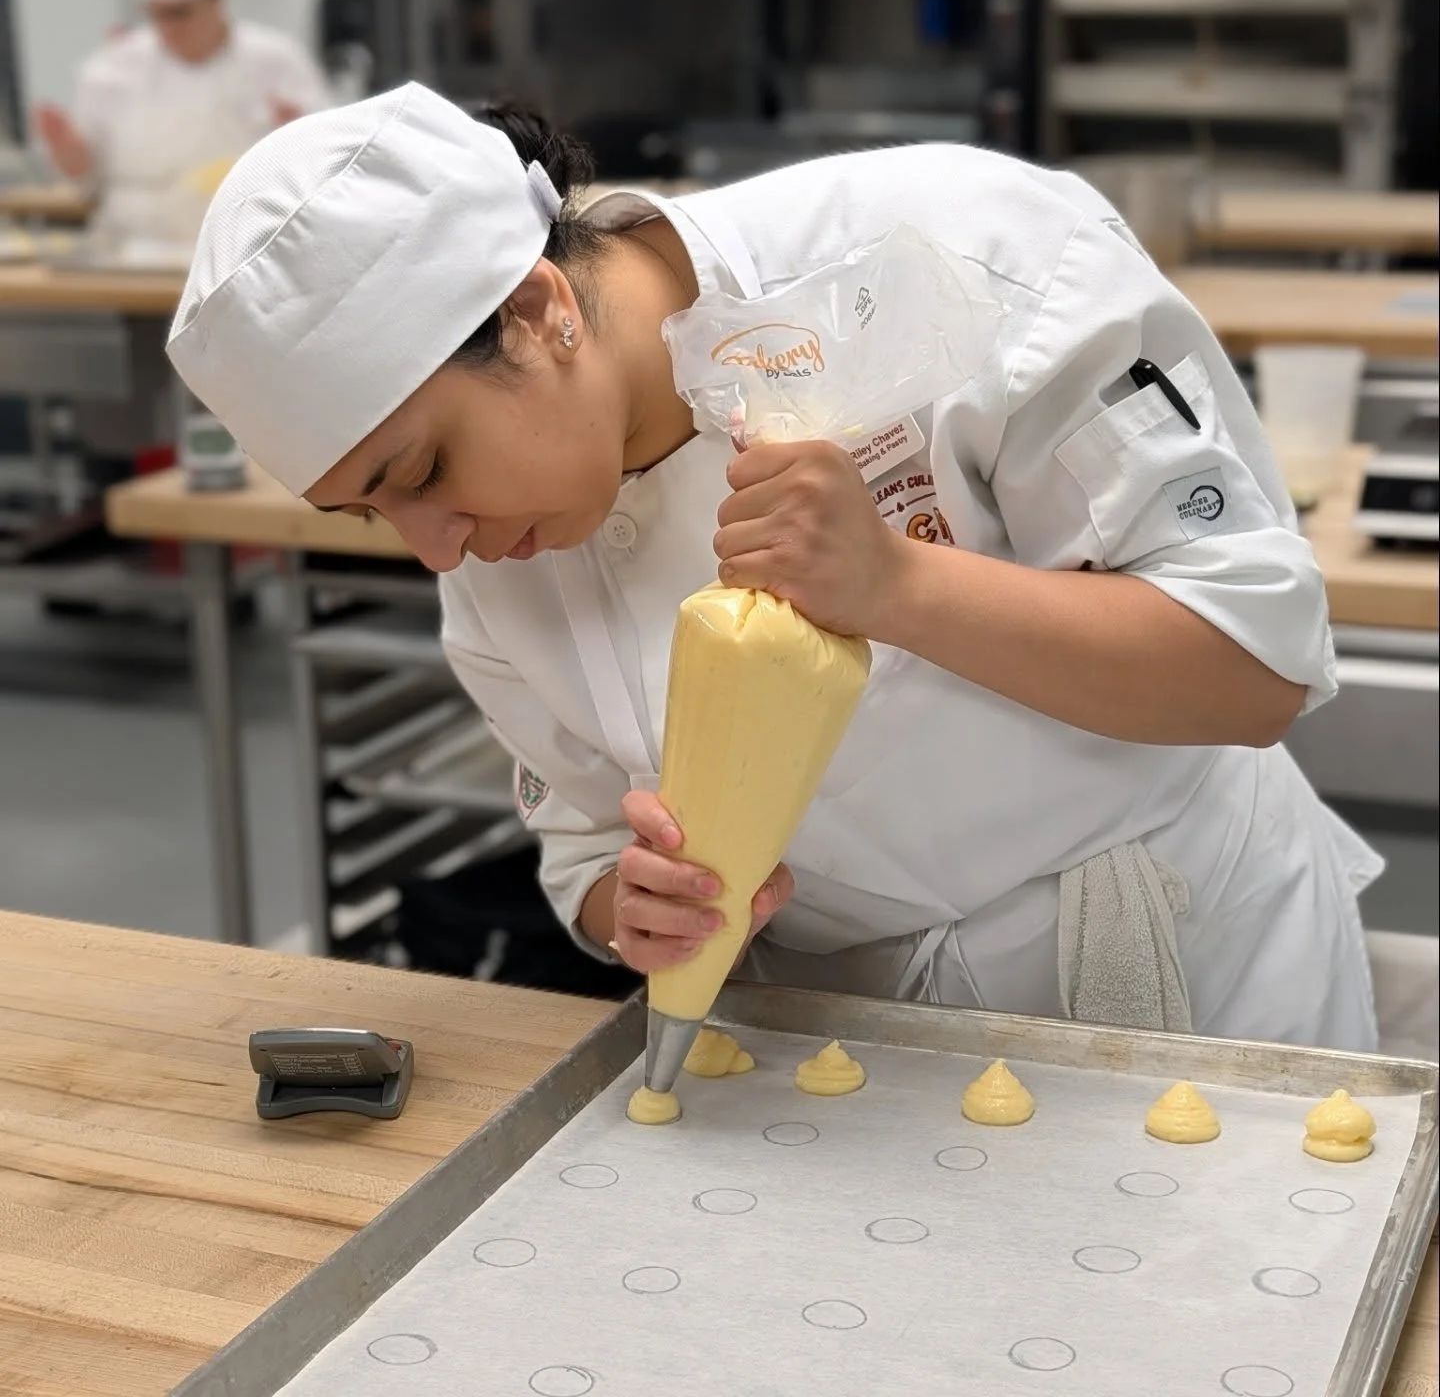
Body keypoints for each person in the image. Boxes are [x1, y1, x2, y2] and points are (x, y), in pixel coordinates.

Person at [168, 83, 1382, 1051]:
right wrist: (627, 910)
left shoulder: (967, 252)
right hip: (840, 1041)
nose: (441, 549)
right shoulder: (500, 544)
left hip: (1178, 969)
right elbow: (585, 846)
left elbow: (1254, 669)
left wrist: (898, 588)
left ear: (540, 309)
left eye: (423, 470)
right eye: (373, 513)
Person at [33, 0, 329, 244]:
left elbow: (329, 161)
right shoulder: (113, 68)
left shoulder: (277, 61)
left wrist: (297, 136)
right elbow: (84, 177)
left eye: (180, 12)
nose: (168, 27)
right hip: (130, 248)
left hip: (243, 245)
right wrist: (67, 149)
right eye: (156, 14)